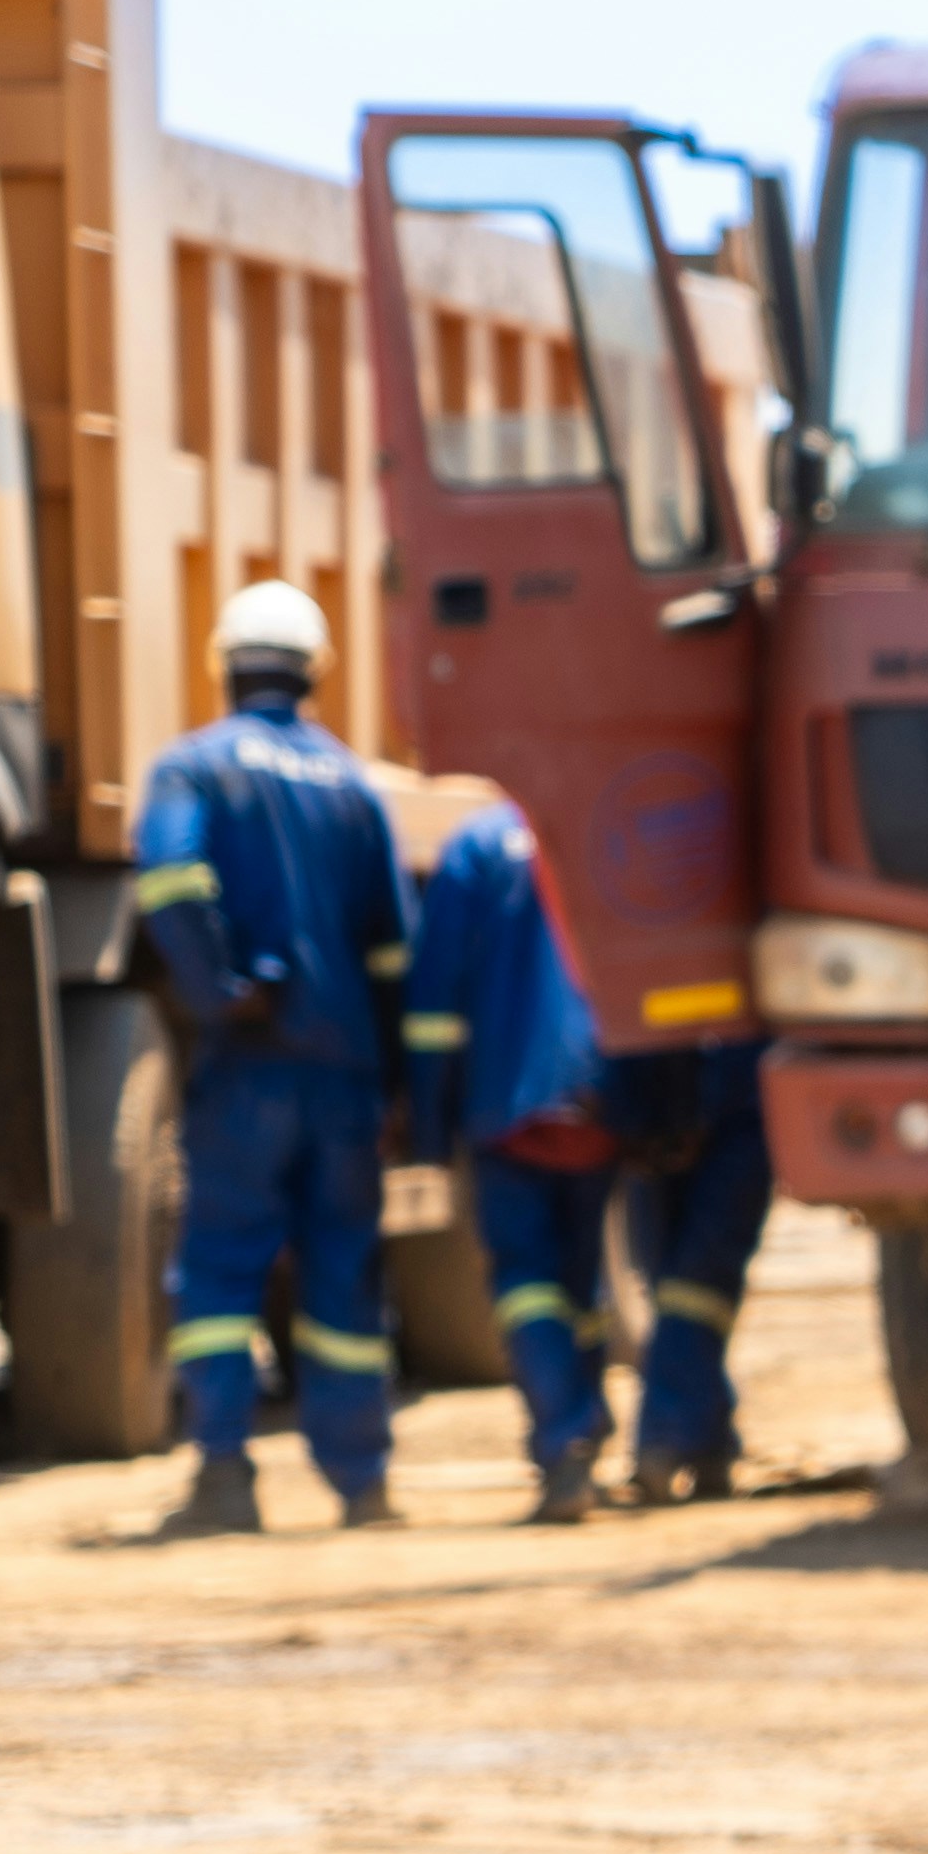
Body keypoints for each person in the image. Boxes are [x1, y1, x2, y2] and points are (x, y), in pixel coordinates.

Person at [132, 579, 410, 1536]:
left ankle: (221, 1477)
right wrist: (403, 1088)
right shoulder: (352, 784)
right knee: (344, 1278)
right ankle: (362, 1486)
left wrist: (220, 988)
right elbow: (391, 953)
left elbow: (170, 878)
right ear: (316, 672)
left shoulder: (191, 770)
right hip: (344, 1076)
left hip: (246, 1071)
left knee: (218, 1273)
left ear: (222, 664)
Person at [397, 793, 622, 1525]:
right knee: (582, 1283)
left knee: (526, 1281)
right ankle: (588, 1423)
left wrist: (428, 1129)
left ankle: (564, 1446)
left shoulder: (477, 847)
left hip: (508, 1108)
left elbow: (433, 1006)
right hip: (601, 1100)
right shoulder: (603, 829)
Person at [599, 1033, 774, 1501]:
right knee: (678, 1287)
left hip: (728, 1113)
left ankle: (666, 1439)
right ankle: (706, 1444)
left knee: (693, 1287)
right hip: (665, 1113)